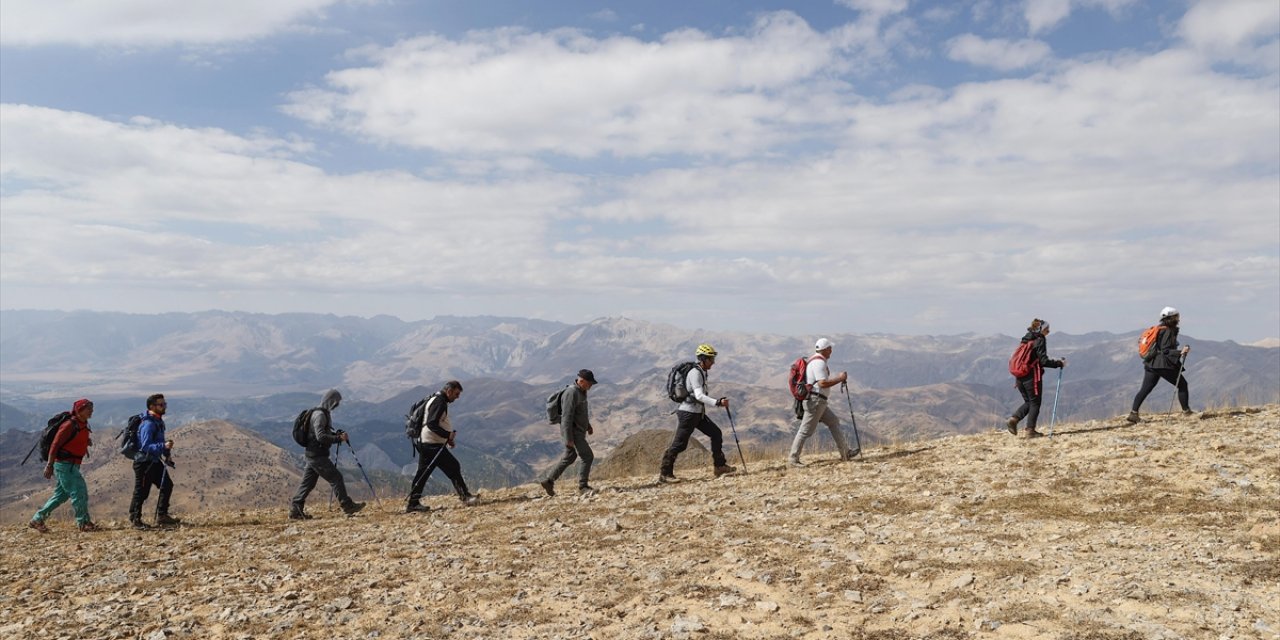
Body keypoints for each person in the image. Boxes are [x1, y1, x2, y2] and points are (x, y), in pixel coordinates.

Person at [659, 344, 736, 482]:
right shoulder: (695, 373)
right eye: (711, 359)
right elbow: (699, 396)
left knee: (716, 433)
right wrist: (717, 402)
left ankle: (719, 466)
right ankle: (665, 474)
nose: (713, 362)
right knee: (679, 444)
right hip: (688, 414)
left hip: (697, 413)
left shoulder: (701, 371)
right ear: (703, 359)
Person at [290, 389, 366, 519]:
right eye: (336, 402)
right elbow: (320, 437)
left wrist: (335, 435)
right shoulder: (320, 415)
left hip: (313, 454)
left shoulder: (320, 413)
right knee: (336, 478)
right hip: (317, 455)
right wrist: (338, 439)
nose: (337, 405)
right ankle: (347, 506)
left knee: (308, 483)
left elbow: (320, 434)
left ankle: (295, 510)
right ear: (331, 401)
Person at [404, 381, 479, 512]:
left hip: (426, 443)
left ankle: (413, 503)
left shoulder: (436, 399)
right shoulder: (439, 402)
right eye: (456, 394)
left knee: (423, 473)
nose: (457, 397)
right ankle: (465, 497)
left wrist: (446, 438)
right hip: (431, 444)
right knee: (453, 466)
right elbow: (431, 424)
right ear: (449, 391)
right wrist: (448, 435)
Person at [29, 399, 99, 533]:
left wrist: (86, 443)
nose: (91, 411)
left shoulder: (83, 423)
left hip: (73, 465)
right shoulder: (69, 425)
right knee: (79, 491)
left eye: (92, 408)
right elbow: (55, 445)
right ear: (80, 410)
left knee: (60, 496)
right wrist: (49, 465)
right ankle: (83, 522)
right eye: (88, 408)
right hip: (64, 465)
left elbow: (76, 439)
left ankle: (37, 519)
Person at [789, 338, 858, 466]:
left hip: (818, 401)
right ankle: (793, 459)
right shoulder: (819, 363)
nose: (831, 351)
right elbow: (822, 383)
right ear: (825, 349)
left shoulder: (814, 361)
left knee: (833, 422)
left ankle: (845, 453)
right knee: (805, 430)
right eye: (830, 348)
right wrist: (840, 378)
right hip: (816, 401)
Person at [538, 369, 599, 497]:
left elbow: (580, 413)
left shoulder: (581, 392)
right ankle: (583, 486)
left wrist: (588, 425)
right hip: (573, 432)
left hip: (578, 430)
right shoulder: (571, 393)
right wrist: (568, 438)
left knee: (570, 456)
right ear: (581, 381)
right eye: (589, 383)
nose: (591, 386)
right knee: (587, 456)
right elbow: (566, 417)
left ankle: (549, 481)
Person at [1127, 307, 1192, 423]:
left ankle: (1133, 414)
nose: (1178, 318)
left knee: (1145, 389)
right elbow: (1165, 350)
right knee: (1182, 384)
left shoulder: (1160, 329)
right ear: (1171, 318)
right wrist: (1180, 352)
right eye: (1176, 316)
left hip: (1151, 363)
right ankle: (1187, 412)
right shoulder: (1168, 330)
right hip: (1162, 364)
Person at [1005, 320, 1066, 438]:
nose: (1049, 331)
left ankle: (1014, 419)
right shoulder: (1040, 340)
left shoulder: (1026, 339)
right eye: (1047, 329)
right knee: (1035, 403)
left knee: (1029, 402)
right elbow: (1043, 361)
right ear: (1041, 329)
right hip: (1031, 377)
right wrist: (1058, 363)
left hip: (1019, 376)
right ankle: (1030, 431)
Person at [130, 393, 180, 529]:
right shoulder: (148, 424)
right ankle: (135, 519)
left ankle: (162, 516)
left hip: (154, 461)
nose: (164, 407)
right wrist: (163, 446)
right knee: (142, 491)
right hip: (144, 463)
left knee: (167, 485)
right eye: (161, 404)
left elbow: (157, 442)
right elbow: (145, 446)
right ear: (152, 406)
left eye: (165, 404)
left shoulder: (158, 421)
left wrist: (166, 453)